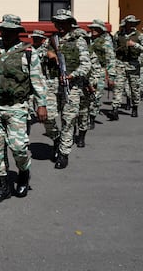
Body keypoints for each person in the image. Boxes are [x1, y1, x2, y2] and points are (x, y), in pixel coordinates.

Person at [0, 15, 47, 203]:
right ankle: (3, 185)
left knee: (18, 147)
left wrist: (42, 105)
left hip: (17, 107)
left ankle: (23, 172)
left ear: (17, 32)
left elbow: (37, 81)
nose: (6, 34)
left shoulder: (28, 52)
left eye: (11, 31)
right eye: (4, 30)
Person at [47, 9, 91, 169]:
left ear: (70, 23)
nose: (60, 26)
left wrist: (72, 75)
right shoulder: (51, 40)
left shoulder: (79, 41)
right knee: (48, 117)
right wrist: (48, 54)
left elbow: (86, 64)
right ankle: (56, 139)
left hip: (71, 87)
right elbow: (38, 55)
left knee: (68, 120)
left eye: (64, 22)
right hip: (52, 84)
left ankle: (64, 153)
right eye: (58, 22)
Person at [108, 14, 143, 119]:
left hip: (133, 65)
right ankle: (115, 109)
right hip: (120, 63)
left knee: (134, 88)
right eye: (129, 23)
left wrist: (135, 45)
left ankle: (135, 106)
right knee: (118, 87)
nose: (131, 25)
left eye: (133, 23)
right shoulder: (118, 35)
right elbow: (113, 49)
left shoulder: (139, 35)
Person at [87, 19, 116, 129]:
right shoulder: (86, 39)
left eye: (96, 28)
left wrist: (111, 76)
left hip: (99, 71)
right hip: (86, 71)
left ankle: (92, 117)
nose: (94, 30)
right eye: (92, 28)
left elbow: (111, 59)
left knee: (96, 96)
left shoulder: (106, 42)